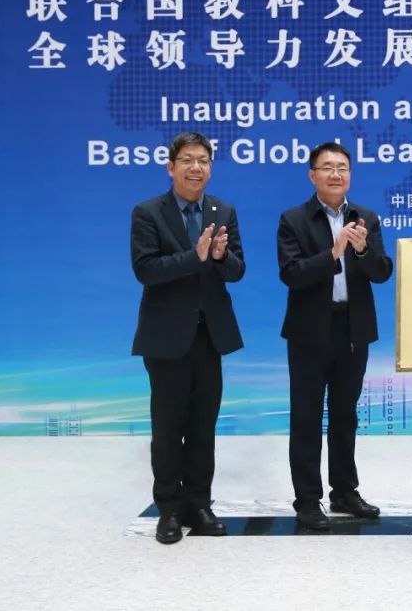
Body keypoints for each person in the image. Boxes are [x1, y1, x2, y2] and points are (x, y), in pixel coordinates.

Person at [131, 131, 245, 544]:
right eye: (188, 160)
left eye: (203, 161)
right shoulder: (148, 212)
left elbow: (237, 270)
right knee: (167, 427)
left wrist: (220, 256)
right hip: (166, 337)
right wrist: (193, 257)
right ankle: (168, 508)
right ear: (171, 167)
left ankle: (199, 503)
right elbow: (145, 269)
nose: (196, 168)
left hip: (209, 336)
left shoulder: (223, 210)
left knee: (203, 425)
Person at [277, 141, 394, 531]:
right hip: (309, 331)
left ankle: (344, 491)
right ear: (312, 175)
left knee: (345, 415)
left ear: (350, 175)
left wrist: (360, 252)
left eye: (342, 167)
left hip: (352, 329)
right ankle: (308, 499)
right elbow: (291, 274)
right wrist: (334, 252)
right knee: (306, 416)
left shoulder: (366, 217)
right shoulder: (293, 219)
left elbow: (382, 272)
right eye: (327, 167)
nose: (335, 174)